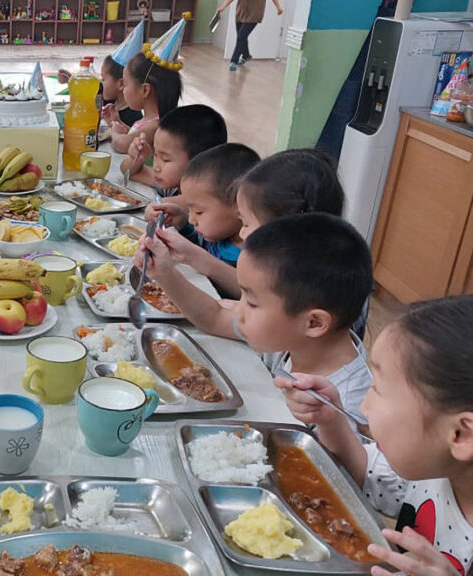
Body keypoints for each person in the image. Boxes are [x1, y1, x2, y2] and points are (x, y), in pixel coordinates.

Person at [275, 296, 473, 576]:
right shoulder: (436, 467)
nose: (364, 408)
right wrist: (331, 420)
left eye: (377, 390)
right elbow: (365, 477)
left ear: (461, 435)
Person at [141, 148, 350, 336]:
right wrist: (166, 273)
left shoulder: (289, 314)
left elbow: (216, 319)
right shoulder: (283, 301)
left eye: (246, 223)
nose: (242, 233)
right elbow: (215, 318)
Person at [235, 214, 373, 421]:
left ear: (314, 323)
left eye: (252, 303)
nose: (238, 310)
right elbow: (214, 318)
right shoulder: (290, 338)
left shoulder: (349, 407)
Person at [142, 143, 260, 296]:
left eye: (198, 211)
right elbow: (199, 241)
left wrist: (197, 257)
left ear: (239, 206)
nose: (192, 219)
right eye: (189, 210)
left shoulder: (253, 256)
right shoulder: (219, 233)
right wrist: (181, 222)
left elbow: (248, 293)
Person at [133, 104, 227, 198]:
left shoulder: (209, 206)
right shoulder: (172, 187)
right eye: (155, 155)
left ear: (197, 164)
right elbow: (133, 173)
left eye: (165, 159)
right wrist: (137, 159)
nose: (156, 167)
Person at [119, 52, 183, 177]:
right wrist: (117, 122)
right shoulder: (147, 121)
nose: (122, 89)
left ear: (145, 90)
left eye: (125, 84)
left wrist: (112, 133)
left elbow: (122, 144)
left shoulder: (155, 126)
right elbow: (125, 169)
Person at [217, 0, 283, 71]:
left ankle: (234, 61)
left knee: (241, 36)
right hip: (241, 11)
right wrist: (223, 7)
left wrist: (278, 7)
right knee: (241, 36)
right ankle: (246, 55)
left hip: (254, 13)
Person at [99, 55, 144, 155]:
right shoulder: (111, 100)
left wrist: (113, 132)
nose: (101, 83)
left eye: (103, 79)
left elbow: (128, 140)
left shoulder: (134, 115)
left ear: (121, 84)